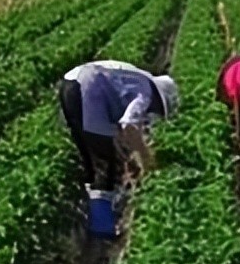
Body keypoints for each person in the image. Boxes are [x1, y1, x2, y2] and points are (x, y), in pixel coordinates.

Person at [59, 60, 179, 191]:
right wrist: (146, 161)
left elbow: (121, 128)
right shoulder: (146, 93)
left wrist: (127, 155)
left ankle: (97, 192)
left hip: (70, 84)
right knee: (106, 163)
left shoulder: (137, 78)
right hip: (89, 89)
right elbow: (129, 126)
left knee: (91, 152)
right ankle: (105, 202)